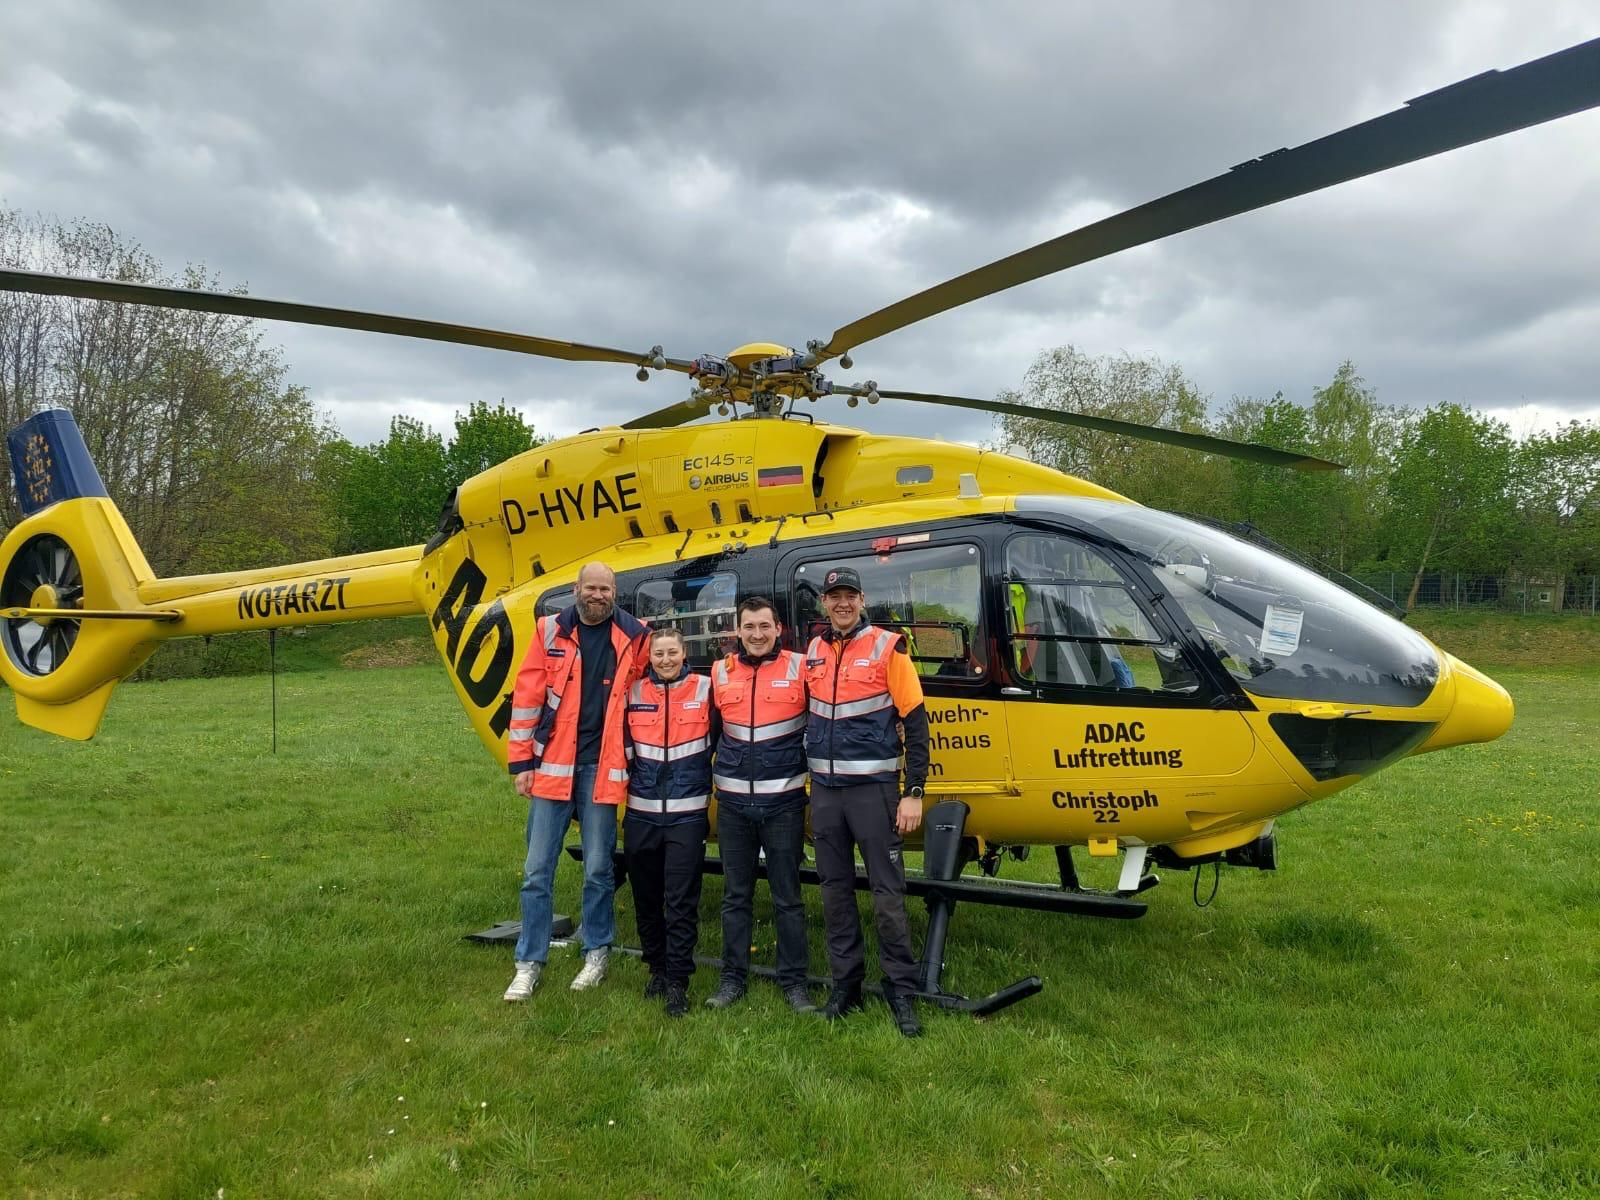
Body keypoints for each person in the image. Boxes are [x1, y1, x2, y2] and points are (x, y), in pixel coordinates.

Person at [502, 562, 650, 1002]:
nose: (598, 595)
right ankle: (529, 961)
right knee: (536, 871)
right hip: (553, 766)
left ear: (615, 592)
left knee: (599, 869)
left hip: (602, 769)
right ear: (576, 589)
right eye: (591, 588)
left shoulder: (636, 635)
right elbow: (527, 697)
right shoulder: (549, 630)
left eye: (605, 588)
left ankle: (597, 952)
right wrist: (521, 762)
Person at [804, 565, 931, 1037]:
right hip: (826, 793)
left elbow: (915, 723)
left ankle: (902, 990)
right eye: (834, 596)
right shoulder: (813, 651)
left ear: (862, 600)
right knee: (834, 891)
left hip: (874, 793)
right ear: (824, 602)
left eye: (850, 595)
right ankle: (846, 986)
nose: (842, 603)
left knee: (887, 894)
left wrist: (913, 792)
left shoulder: (887, 646)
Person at [705, 596, 815, 1013]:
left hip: (784, 803)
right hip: (733, 805)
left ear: (778, 628)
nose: (756, 634)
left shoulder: (800, 668)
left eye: (764, 626)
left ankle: (795, 983)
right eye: (748, 627)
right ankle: (732, 979)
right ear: (738, 631)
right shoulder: (720, 671)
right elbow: (709, 735)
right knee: (735, 897)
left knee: (788, 897)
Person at [621, 626, 716, 1018]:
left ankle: (678, 980)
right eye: (658, 654)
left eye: (672, 652)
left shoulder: (706, 690)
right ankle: (656, 969)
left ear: (684, 652)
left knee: (680, 901)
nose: (665, 660)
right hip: (640, 813)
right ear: (649, 657)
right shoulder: (632, 693)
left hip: (687, 816)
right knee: (645, 898)